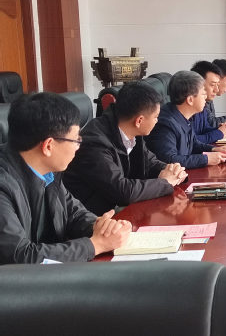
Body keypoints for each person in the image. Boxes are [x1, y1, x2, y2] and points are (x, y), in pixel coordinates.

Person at [0, 93, 130, 264]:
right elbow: (19, 256)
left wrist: (102, 227)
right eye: (76, 140)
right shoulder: (4, 185)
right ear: (48, 146)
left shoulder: (48, 171)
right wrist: (95, 245)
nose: (78, 147)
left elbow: (73, 214)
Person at [64, 82, 188, 215]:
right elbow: (123, 191)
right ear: (139, 121)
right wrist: (165, 182)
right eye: (156, 117)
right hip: (94, 216)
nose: (157, 121)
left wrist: (173, 171)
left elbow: (150, 162)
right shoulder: (95, 143)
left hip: (119, 209)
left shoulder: (130, 131)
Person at [146, 71, 226, 169]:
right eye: (203, 94)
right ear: (190, 100)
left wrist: (214, 149)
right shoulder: (166, 124)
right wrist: (206, 159)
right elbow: (169, 160)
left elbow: (193, 144)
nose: (206, 97)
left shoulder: (184, 116)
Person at [190, 61, 226, 143]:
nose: (216, 90)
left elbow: (203, 130)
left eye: (217, 85)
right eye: (213, 85)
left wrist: (221, 129)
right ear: (198, 85)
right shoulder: (185, 111)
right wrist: (219, 133)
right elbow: (189, 142)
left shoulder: (202, 107)